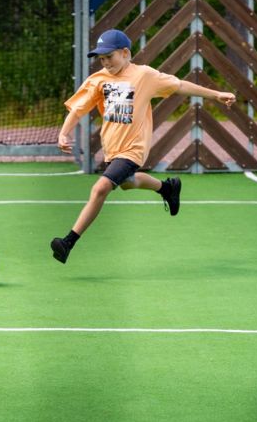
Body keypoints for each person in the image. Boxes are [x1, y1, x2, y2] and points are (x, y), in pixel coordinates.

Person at [50, 29, 236, 263]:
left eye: (110, 56)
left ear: (125, 53)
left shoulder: (145, 76)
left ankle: (68, 242)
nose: (105, 62)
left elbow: (179, 86)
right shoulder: (98, 79)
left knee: (100, 189)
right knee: (128, 183)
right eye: (102, 58)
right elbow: (78, 109)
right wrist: (64, 133)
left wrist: (216, 94)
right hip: (112, 149)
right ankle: (167, 188)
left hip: (133, 149)